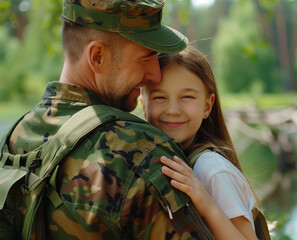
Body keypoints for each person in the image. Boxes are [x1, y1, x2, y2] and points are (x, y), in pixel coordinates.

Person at [4, 0, 214, 239]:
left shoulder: (12, 138)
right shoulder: (140, 151)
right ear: (97, 57)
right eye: (146, 58)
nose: (155, 75)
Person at [140, 45, 260, 240]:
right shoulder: (162, 160)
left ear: (207, 105)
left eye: (186, 97)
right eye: (159, 97)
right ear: (144, 105)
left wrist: (207, 205)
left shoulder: (211, 169)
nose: (173, 110)